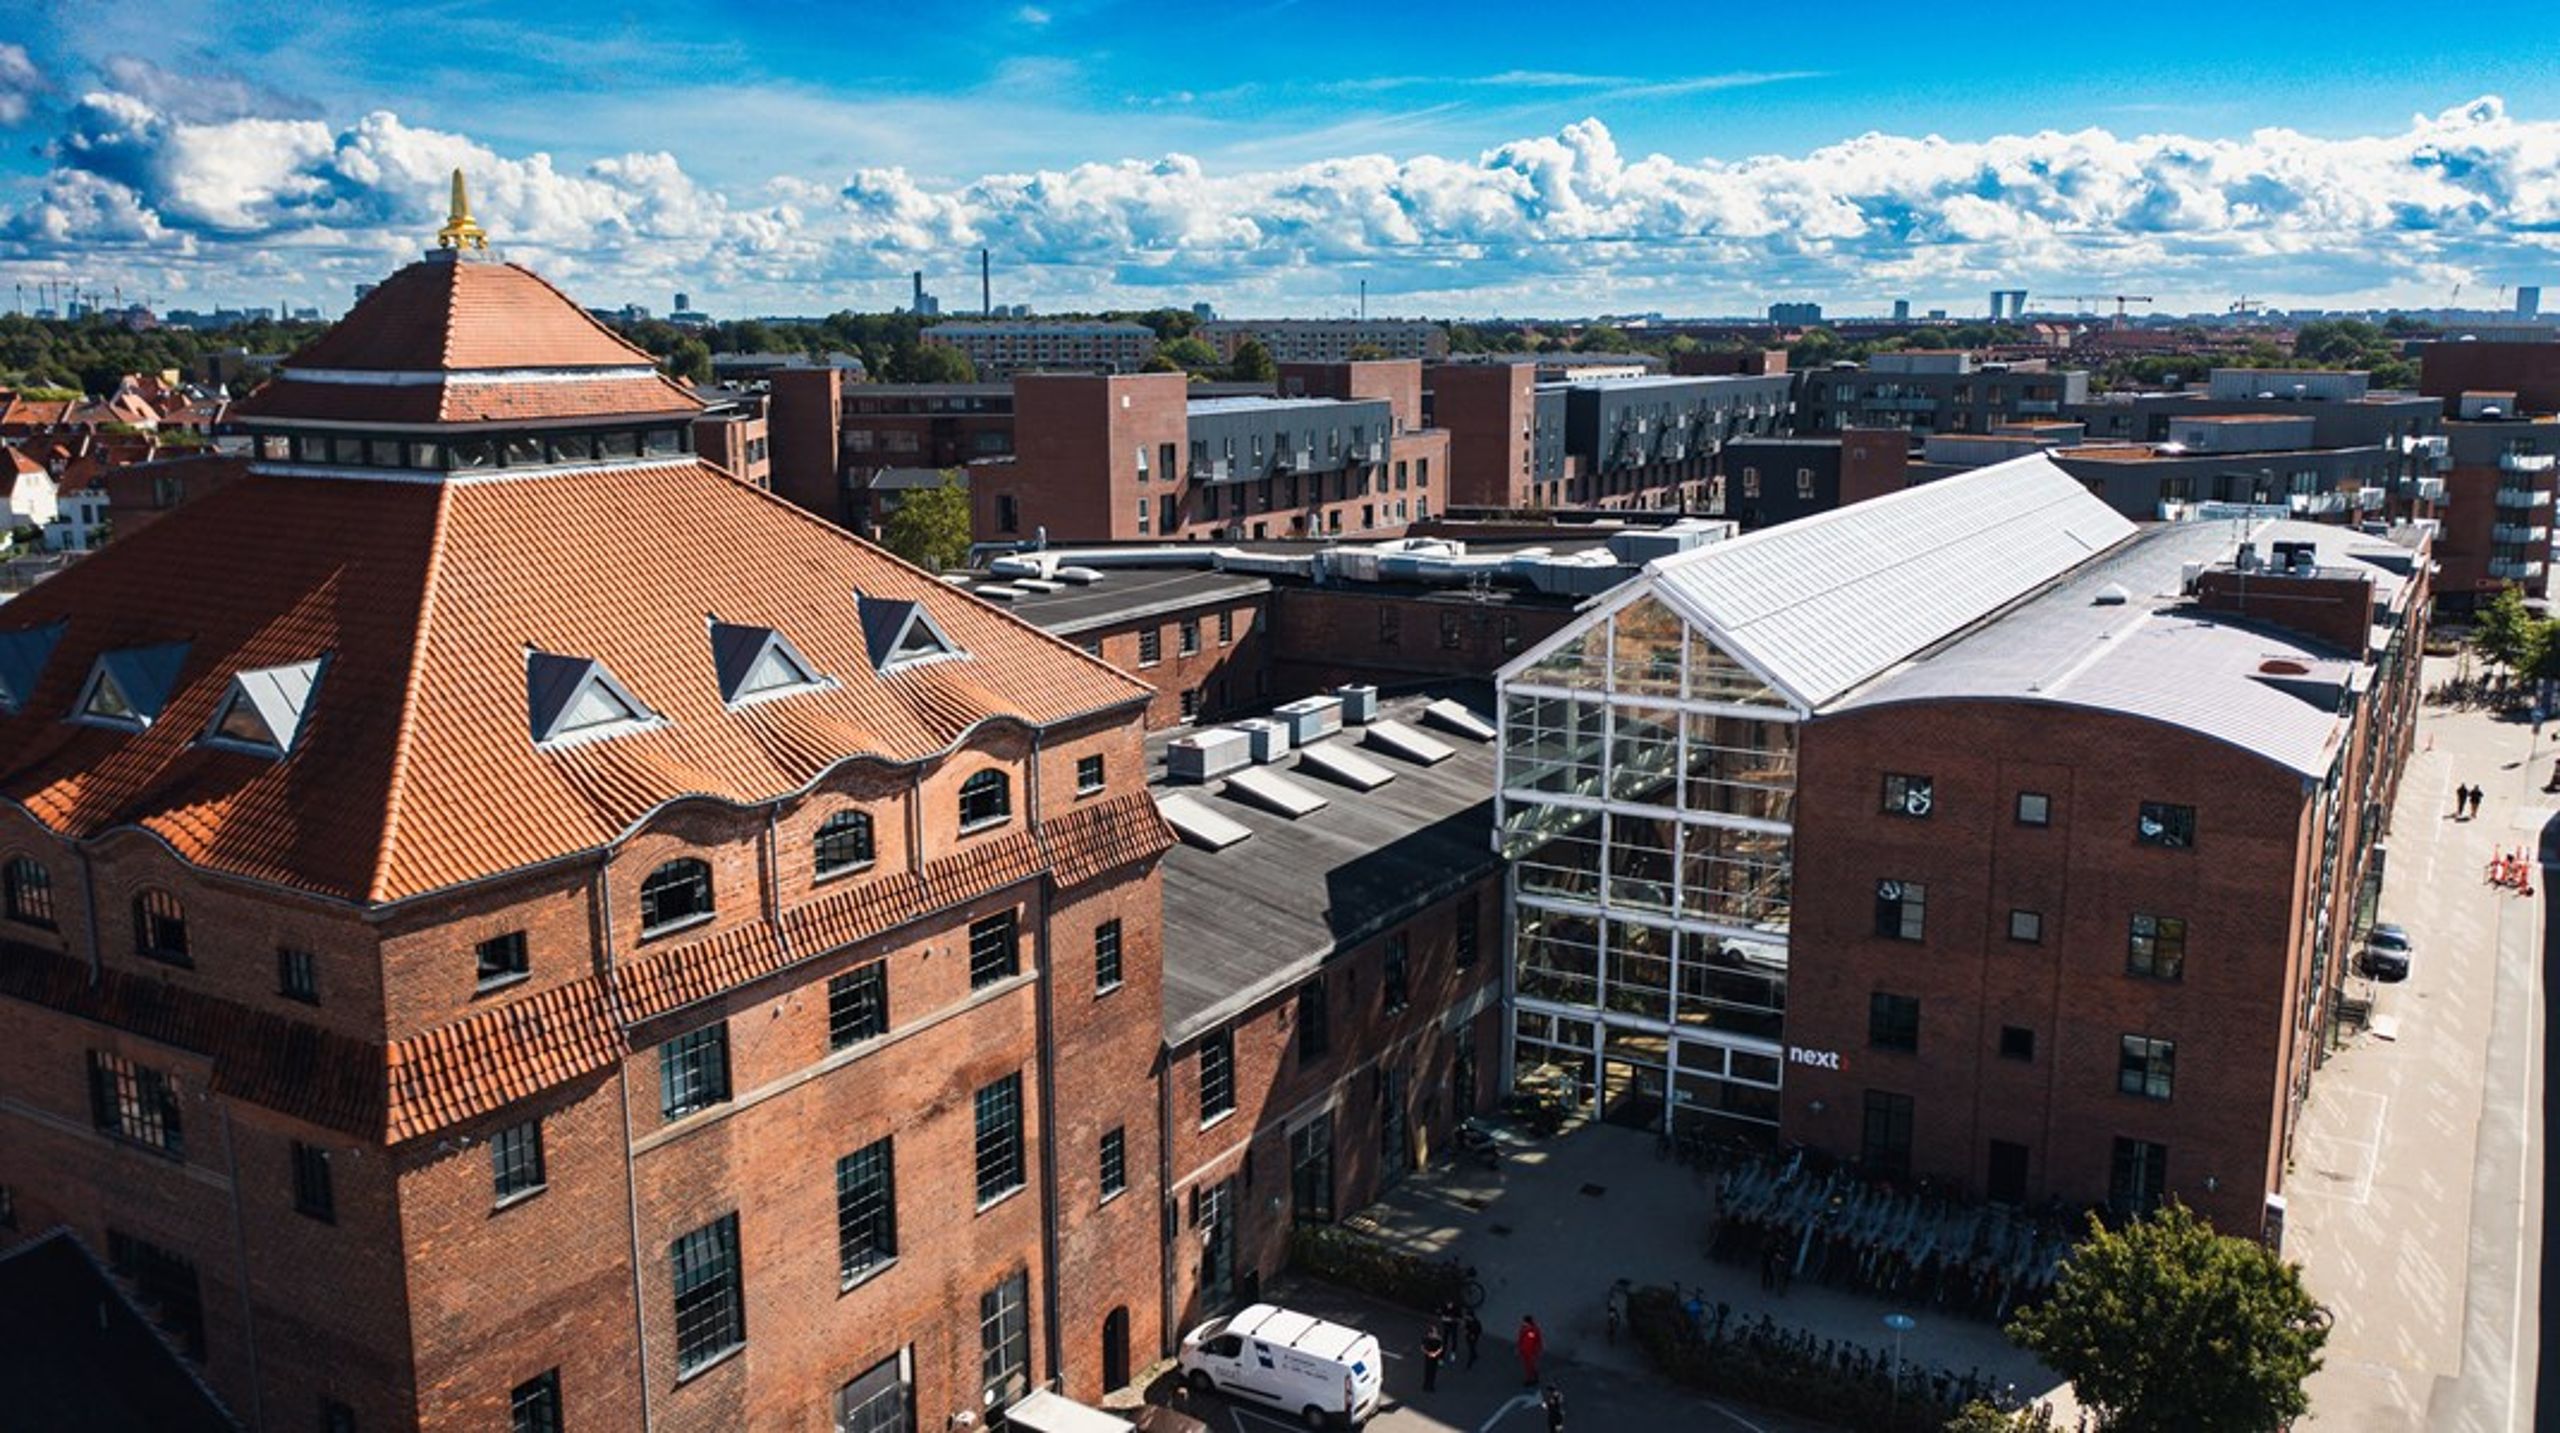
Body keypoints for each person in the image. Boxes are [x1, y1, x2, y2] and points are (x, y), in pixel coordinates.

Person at [1517, 1314, 1544, 1386]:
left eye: (1524, 1321)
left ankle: (1530, 1379)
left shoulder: (1534, 1330)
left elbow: (1538, 1340)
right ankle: (1534, 1376)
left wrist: (1538, 1350)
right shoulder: (1523, 1329)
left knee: (1530, 1366)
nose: (1523, 1323)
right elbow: (1520, 1339)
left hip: (1532, 1352)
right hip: (1525, 1351)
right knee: (1527, 1366)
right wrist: (1519, 1348)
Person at [1420, 1325, 1445, 1393]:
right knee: (1427, 1371)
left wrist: (1435, 1354)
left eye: (1434, 1333)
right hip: (1428, 1356)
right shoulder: (1426, 1338)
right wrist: (1428, 1353)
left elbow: (1441, 1348)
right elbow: (1422, 1347)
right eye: (1432, 1333)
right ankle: (1425, 1385)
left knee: (1433, 1372)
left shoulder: (1438, 1339)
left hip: (1435, 1357)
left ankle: (1431, 1385)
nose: (1433, 1334)